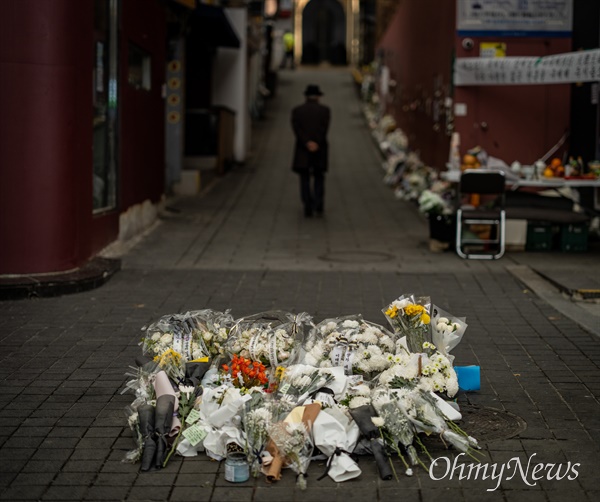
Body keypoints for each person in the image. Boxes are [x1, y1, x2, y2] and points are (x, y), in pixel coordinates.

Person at [291, 84, 331, 217]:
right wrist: (316, 143)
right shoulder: (325, 111)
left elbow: (297, 130)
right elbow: (323, 129)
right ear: (318, 96)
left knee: (305, 177)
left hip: (303, 150)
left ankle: (307, 204)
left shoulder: (297, 111)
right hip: (320, 150)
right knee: (319, 176)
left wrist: (307, 142)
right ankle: (318, 204)